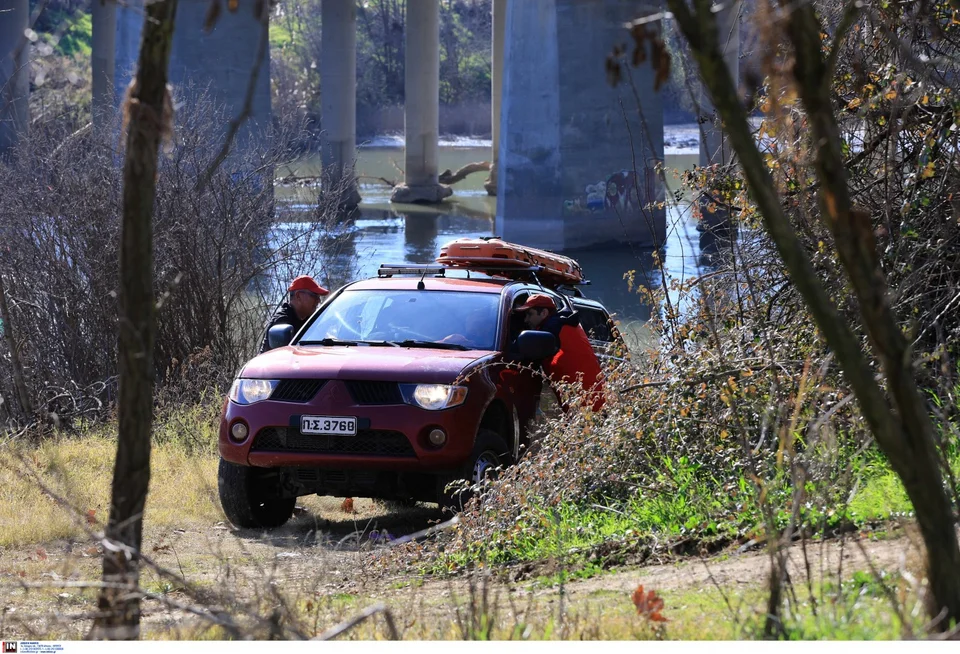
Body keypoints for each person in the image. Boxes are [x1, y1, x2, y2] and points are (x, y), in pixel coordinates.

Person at [513, 293, 605, 412]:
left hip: (586, 404)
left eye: (530, 314)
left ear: (544, 313)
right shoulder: (562, 323)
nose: (526, 320)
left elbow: (519, 350)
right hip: (591, 400)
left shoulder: (552, 328)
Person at [260, 275, 329, 353]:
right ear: (298, 295)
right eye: (314, 296)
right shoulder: (282, 321)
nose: (318, 301)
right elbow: (281, 357)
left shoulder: (310, 322)